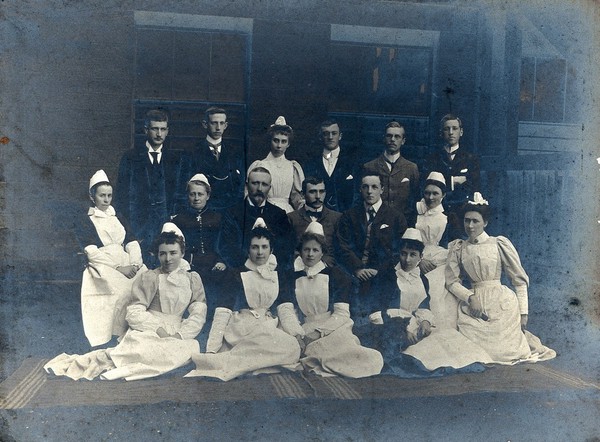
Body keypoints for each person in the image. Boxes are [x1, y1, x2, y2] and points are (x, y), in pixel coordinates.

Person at [403, 193, 556, 370]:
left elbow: (519, 281)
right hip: (474, 304)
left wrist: (524, 314)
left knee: (506, 352)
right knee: (474, 351)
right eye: (467, 221)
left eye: (475, 221)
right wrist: (469, 298)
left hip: (502, 303)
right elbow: (451, 282)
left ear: (485, 222)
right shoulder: (459, 247)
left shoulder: (499, 243)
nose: (470, 225)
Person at [45, 224, 208, 381]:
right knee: (149, 352)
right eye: (162, 254)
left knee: (184, 351)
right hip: (150, 330)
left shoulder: (192, 279)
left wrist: (181, 335)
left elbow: (198, 313)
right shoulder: (151, 277)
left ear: (182, 253)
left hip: (179, 330)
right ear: (157, 255)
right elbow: (134, 312)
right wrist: (159, 330)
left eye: (173, 253)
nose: (168, 259)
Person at [186, 223, 301, 381]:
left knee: (292, 346)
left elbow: (285, 310)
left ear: (271, 250)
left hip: (269, 325)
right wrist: (212, 349)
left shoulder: (278, 275)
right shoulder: (235, 274)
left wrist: (297, 334)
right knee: (270, 345)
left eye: (264, 247)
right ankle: (238, 362)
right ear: (248, 250)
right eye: (254, 247)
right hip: (243, 326)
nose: (259, 252)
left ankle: (245, 363)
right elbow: (222, 312)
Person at [277, 222, 382, 378]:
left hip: (332, 327)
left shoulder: (335, 275)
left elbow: (341, 314)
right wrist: (297, 335)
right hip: (303, 328)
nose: (310, 254)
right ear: (299, 252)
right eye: (306, 249)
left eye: (315, 250)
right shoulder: (292, 276)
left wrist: (319, 333)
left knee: (345, 352)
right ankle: (311, 361)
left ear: (322, 253)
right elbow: (286, 310)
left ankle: (314, 362)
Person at [75, 170, 147, 347]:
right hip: (103, 263)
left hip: (126, 260)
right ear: (93, 197)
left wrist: (135, 263)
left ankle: (139, 332)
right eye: (102, 196)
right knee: (120, 290)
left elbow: (131, 241)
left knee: (144, 283)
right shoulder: (86, 220)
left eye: (109, 195)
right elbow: (92, 251)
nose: (106, 200)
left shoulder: (117, 216)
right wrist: (118, 268)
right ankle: (115, 335)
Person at [114, 108, 191, 263]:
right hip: (138, 226)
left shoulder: (175, 160)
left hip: (165, 224)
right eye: (155, 129)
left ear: (167, 131)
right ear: (146, 130)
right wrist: (130, 230)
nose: (159, 134)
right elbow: (121, 197)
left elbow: (180, 193)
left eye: (163, 129)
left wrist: (173, 218)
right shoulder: (131, 157)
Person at [358, 229, 435, 366]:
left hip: (413, 326)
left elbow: (423, 305)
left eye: (413, 255)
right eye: (404, 254)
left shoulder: (422, 279)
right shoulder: (387, 276)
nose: (407, 260)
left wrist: (425, 322)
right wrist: (401, 329)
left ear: (421, 256)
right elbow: (377, 310)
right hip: (389, 326)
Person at [335, 173, 407, 317]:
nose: (369, 191)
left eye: (374, 187)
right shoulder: (349, 216)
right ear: (360, 190)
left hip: (383, 274)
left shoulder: (395, 217)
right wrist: (357, 268)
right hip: (353, 273)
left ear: (382, 189)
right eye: (365, 187)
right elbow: (342, 245)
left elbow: (399, 249)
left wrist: (378, 270)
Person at [170, 173, 227, 315]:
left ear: (207, 195)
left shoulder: (218, 218)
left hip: (214, 266)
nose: (196, 198)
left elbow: (226, 243)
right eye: (192, 194)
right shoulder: (178, 220)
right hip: (191, 265)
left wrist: (222, 261)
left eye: (200, 194)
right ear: (187, 196)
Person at [218, 166, 293, 269]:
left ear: (270, 188)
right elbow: (228, 249)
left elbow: (286, 250)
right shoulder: (233, 213)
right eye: (255, 183)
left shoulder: (279, 215)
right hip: (241, 272)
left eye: (264, 184)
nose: (260, 189)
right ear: (246, 185)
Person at [423, 114, 481, 240]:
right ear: (441, 133)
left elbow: (472, 185)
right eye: (446, 129)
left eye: (454, 128)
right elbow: (429, 185)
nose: (450, 132)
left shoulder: (471, 159)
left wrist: (444, 182)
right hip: (437, 215)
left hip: (461, 214)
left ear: (461, 132)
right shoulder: (433, 158)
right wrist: (454, 181)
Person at [362, 121, 419, 220]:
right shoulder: (370, 167)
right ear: (384, 138)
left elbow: (416, 198)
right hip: (376, 222)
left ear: (403, 141)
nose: (392, 139)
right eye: (389, 136)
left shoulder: (411, 168)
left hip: (402, 223)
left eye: (397, 137)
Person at [247, 116, 305, 213]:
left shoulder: (292, 167)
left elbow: (296, 198)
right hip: (264, 210)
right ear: (270, 141)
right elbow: (249, 193)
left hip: (286, 212)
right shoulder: (260, 165)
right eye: (276, 140)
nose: (279, 146)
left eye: (283, 141)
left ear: (288, 144)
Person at [191, 107, 244, 210]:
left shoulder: (234, 152)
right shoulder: (194, 152)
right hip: (204, 210)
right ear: (205, 124)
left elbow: (240, 185)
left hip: (230, 208)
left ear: (226, 125)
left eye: (221, 123)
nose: (218, 128)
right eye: (214, 123)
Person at [302, 119, 357, 212]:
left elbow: (357, 193)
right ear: (320, 137)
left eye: (334, 133)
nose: (330, 137)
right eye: (326, 134)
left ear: (340, 136)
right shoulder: (311, 163)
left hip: (345, 217)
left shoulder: (352, 162)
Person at [287, 177, 342, 267]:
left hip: (328, 269)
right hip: (299, 269)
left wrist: (323, 264)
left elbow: (339, 252)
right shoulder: (291, 218)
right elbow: (288, 250)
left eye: (321, 191)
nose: (318, 196)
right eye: (312, 192)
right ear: (302, 194)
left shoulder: (336, 218)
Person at [415, 171, 449, 273]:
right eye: (427, 193)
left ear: (443, 195)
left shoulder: (449, 218)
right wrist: (419, 260)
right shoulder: (414, 214)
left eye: (435, 193)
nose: (430, 198)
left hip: (440, 264)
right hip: (415, 261)